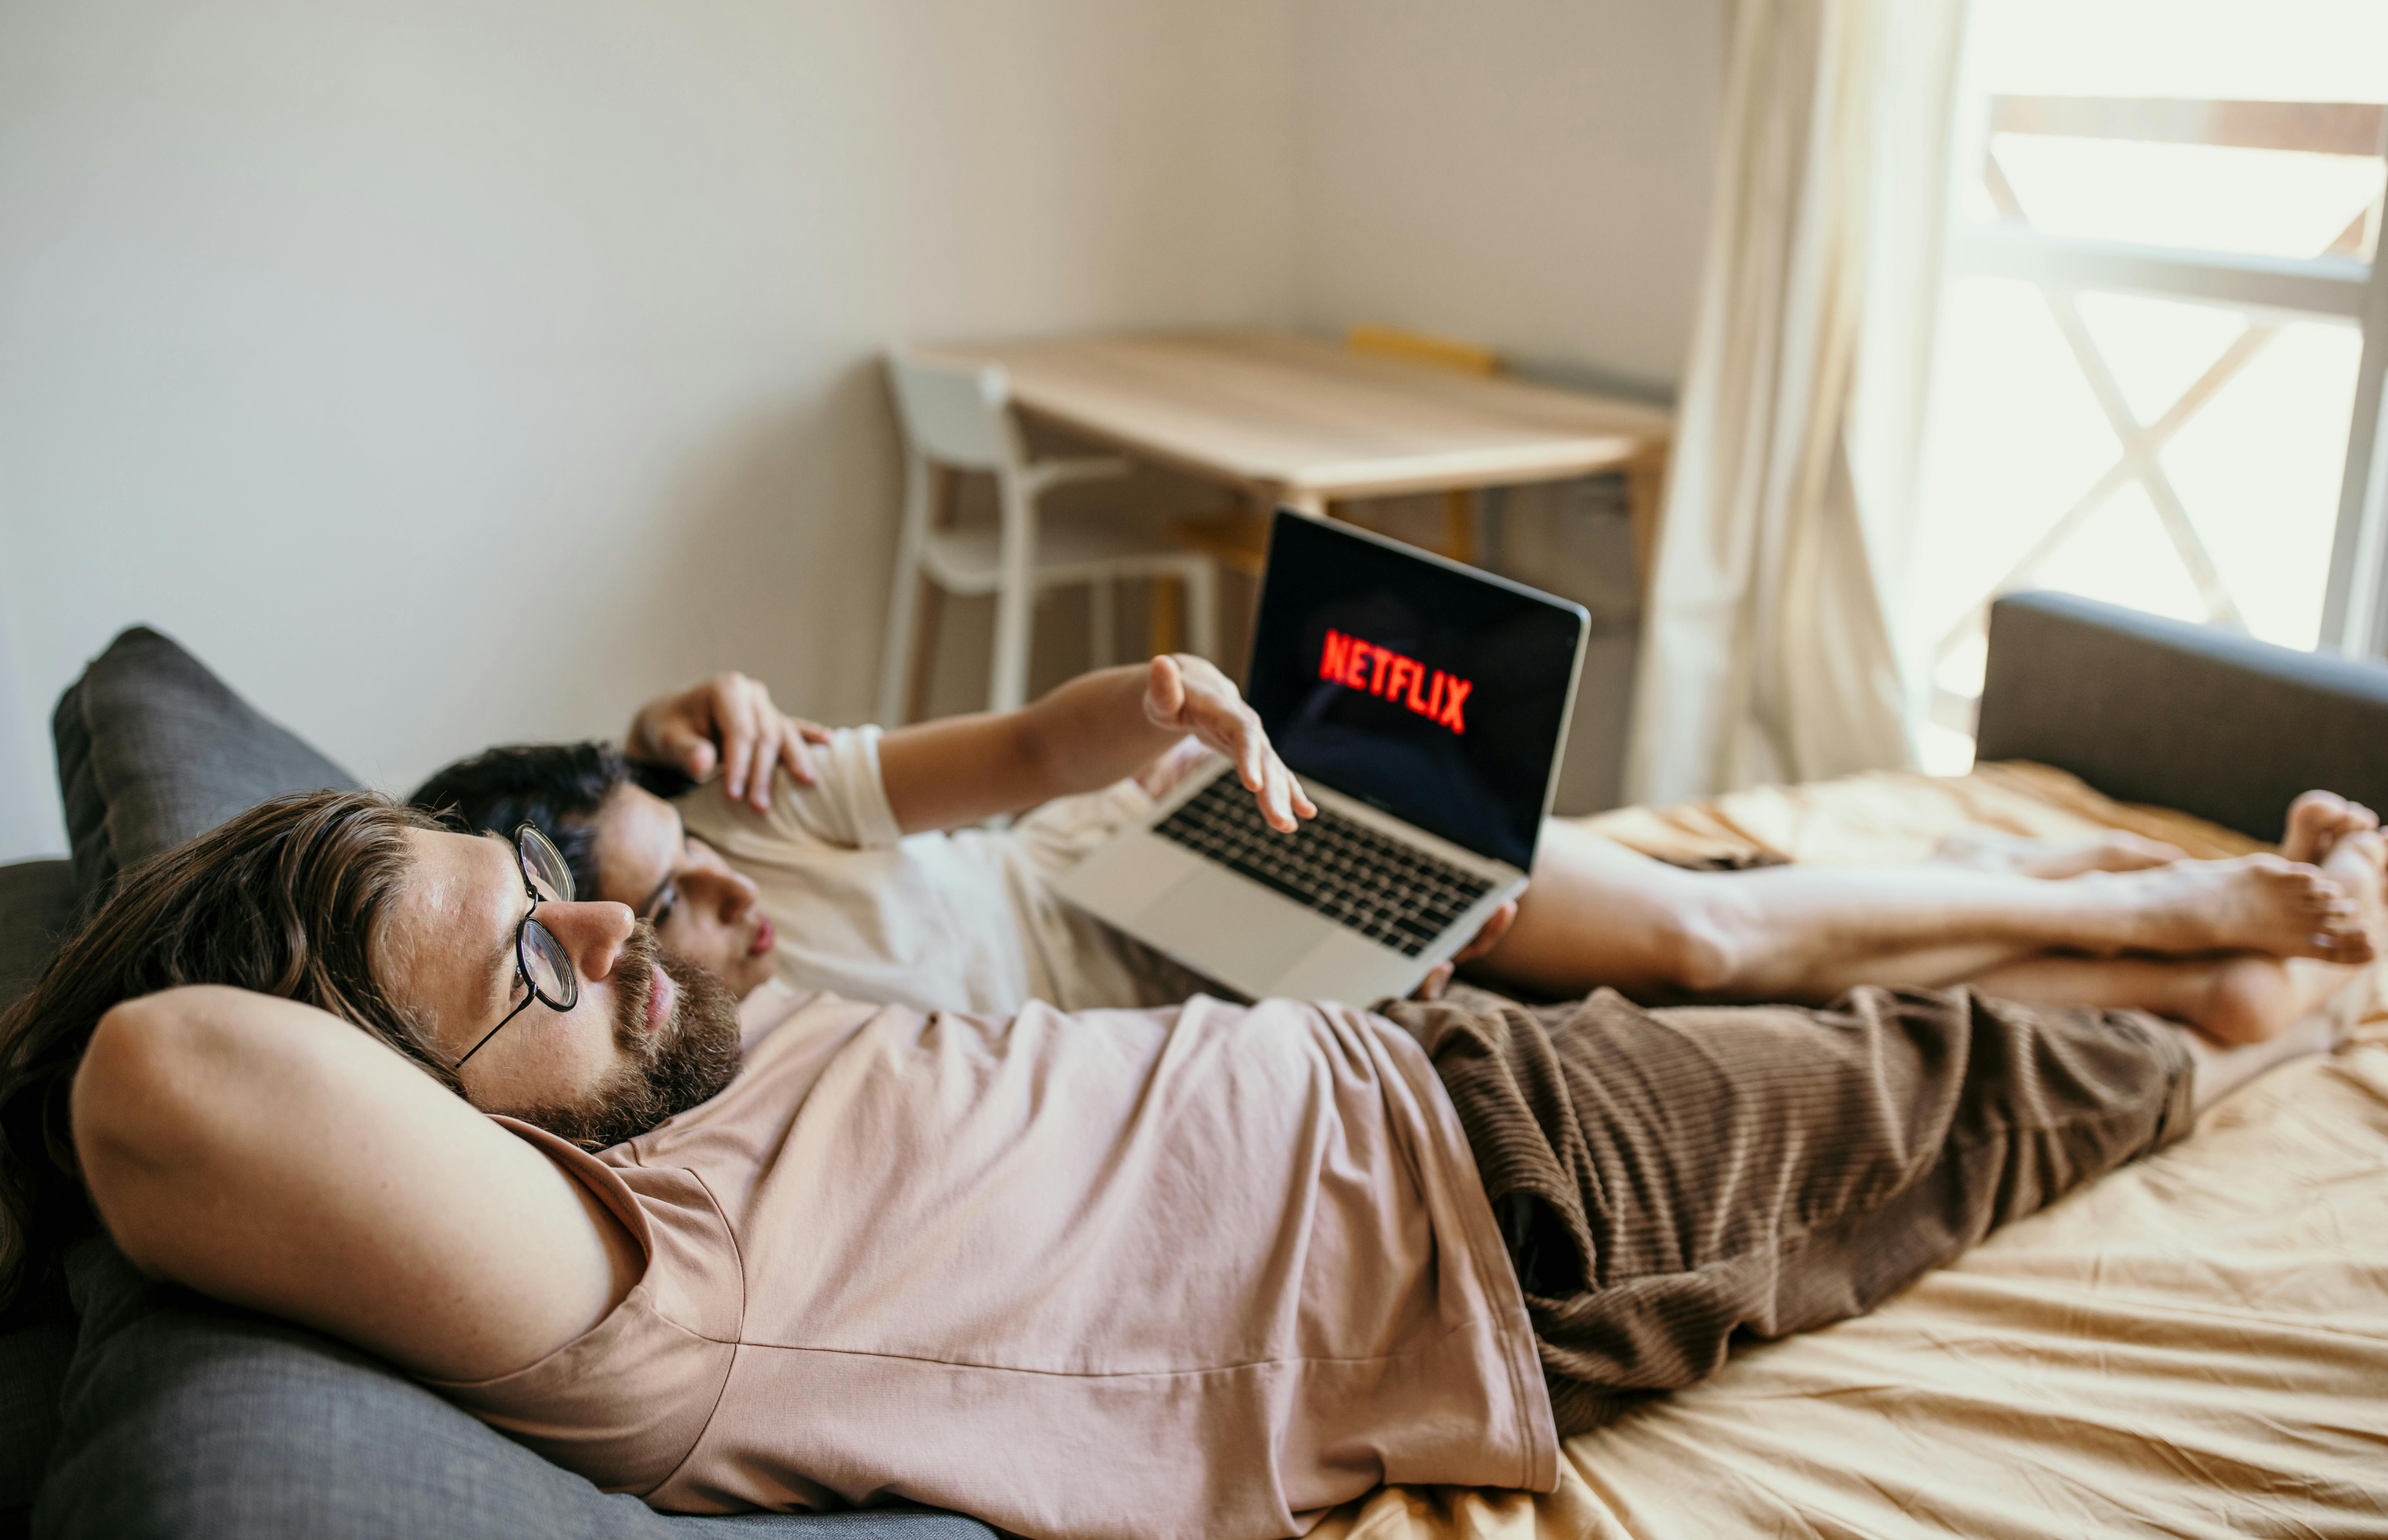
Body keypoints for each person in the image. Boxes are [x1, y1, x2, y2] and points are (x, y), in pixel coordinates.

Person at [4, 787, 2372, 1538]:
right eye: (529, 954)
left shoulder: (659, 1103)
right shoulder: (622, 1293)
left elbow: (636, 921)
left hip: (1381, 1066)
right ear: (409, 1132)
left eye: (539, 870)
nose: (596, 924)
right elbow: (160, 1078)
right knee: (2000, 1080)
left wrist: (610, 948)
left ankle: (2144, 903)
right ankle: (2300, 976)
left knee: (1716, 930)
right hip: (1515, 1217)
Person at [412, 656, 2378, 1048]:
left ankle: (2162, 905)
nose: (720, 893)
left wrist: (1169, 702)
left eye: (684, 852)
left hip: (1156, 840)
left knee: (1699, 935)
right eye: (664, 912)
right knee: (1702, 949)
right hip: (1231, 991)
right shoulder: (703, 1068)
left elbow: (1021, 750)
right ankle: (2162, 949)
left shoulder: (763, 811)